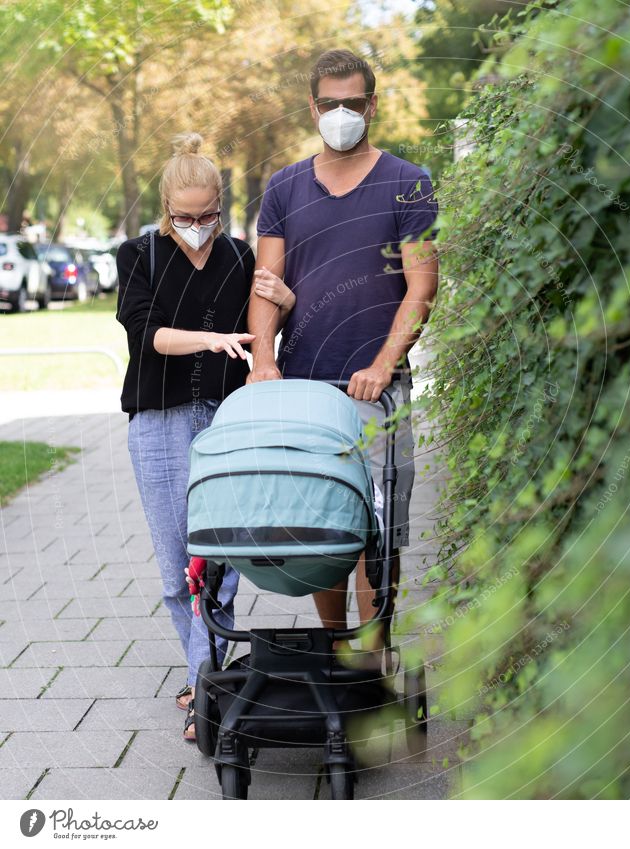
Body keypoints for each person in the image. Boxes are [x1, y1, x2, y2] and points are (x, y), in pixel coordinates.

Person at [247, 49, 439, 663]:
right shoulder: (283, 187)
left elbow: (422, 286)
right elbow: (265, 286)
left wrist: (384, 365)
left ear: (372, 105)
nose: (340, 114)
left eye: (352, 103)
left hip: (379, 392)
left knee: (377, 536)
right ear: (312, 107)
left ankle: (374, 657)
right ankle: (335, 653)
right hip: (304, 391)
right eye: (328, 104)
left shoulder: (409, 183)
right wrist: (263, 362)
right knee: (318, 531)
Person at [116, 132, 295, 740]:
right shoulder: (137, 254)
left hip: (226, 419)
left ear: (220, 205)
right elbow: (149, 336)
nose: (197, 226)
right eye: (184, 217)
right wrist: (207, 340)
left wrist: (286, 299)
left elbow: (266, 329)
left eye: (207, 215)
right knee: (176, 572)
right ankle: (207, 677)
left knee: (218, 564)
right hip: (159, 422)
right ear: (166, 210)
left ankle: (206, 691)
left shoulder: (240, 257)